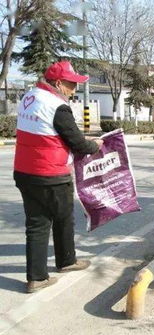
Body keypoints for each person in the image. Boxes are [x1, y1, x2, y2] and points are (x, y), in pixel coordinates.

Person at [14, 60, 103, 293]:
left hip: (24, 172)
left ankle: (36, 278)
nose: (73, 90)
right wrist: (96, 145)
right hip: (51, 173)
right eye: (70, 84)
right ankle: (66, 261)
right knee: (64, 217)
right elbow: (77, 142)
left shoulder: (28, 97)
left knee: (36, 223)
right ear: (57, 82)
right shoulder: (57, 106)